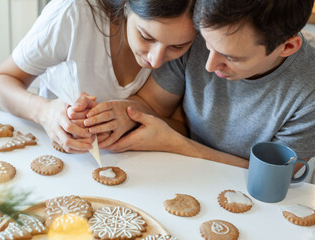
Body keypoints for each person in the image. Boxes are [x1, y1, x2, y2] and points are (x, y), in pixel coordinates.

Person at [80, 0, 315, 169]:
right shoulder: (200, 29)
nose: (209, 66)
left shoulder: (308, 93)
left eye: (230, 57)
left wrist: (178, 145)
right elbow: (152, 104)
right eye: (207, 45)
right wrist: (122, 113)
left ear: (288, 47)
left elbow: (274, 177)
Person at [0, 0, 196, 153]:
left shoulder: (198, 48)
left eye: (178, 46)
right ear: (126, 5)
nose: (156, 60)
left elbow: (178, 126)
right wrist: (45, 112)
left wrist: (131, 118)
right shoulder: (73, 13)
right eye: (146, 36)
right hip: (58, 156)